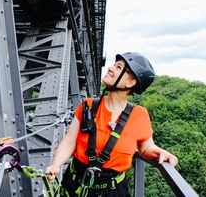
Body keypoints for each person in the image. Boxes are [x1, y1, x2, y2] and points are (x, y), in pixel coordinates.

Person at [45, 52, 178, 197]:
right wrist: (56, 165)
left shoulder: (139, 115)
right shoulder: (88, 106)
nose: (110, 68)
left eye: (119, 68)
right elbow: (69, 142)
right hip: (76, 185)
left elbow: (146, 147)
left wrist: (159, 152)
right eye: (114, 65)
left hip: (113, 190)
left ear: (130, 83)